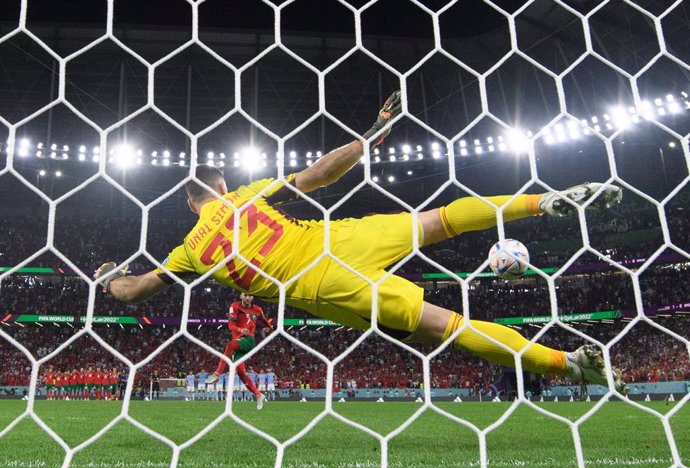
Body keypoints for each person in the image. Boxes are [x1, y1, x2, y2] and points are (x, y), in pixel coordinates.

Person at [95, 91, 625, 395]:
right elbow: (322, 174)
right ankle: (543, 201)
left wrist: (108, 280)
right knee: (438, 219)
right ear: (220, 188)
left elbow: (138, 290)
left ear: (192, 205)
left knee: (450, 325)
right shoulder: (249, 195)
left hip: (324, 282)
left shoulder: (188, 248)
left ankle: (569, 364)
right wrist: (371, 135)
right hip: (336, 236)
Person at [207, 293, 272, 410]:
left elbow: (265, 320)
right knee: (241, 372)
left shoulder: (257, 309)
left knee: (230, 346)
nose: (247, 298)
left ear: (253, 298)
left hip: (249, 340)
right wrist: (240, 329)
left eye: (250, 296)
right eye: (245, 295)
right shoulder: (235, 306)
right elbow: (231, 325)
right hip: (239, 341)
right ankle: (259, 395)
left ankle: (217, 373)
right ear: (241, 296)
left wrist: (269, 327)